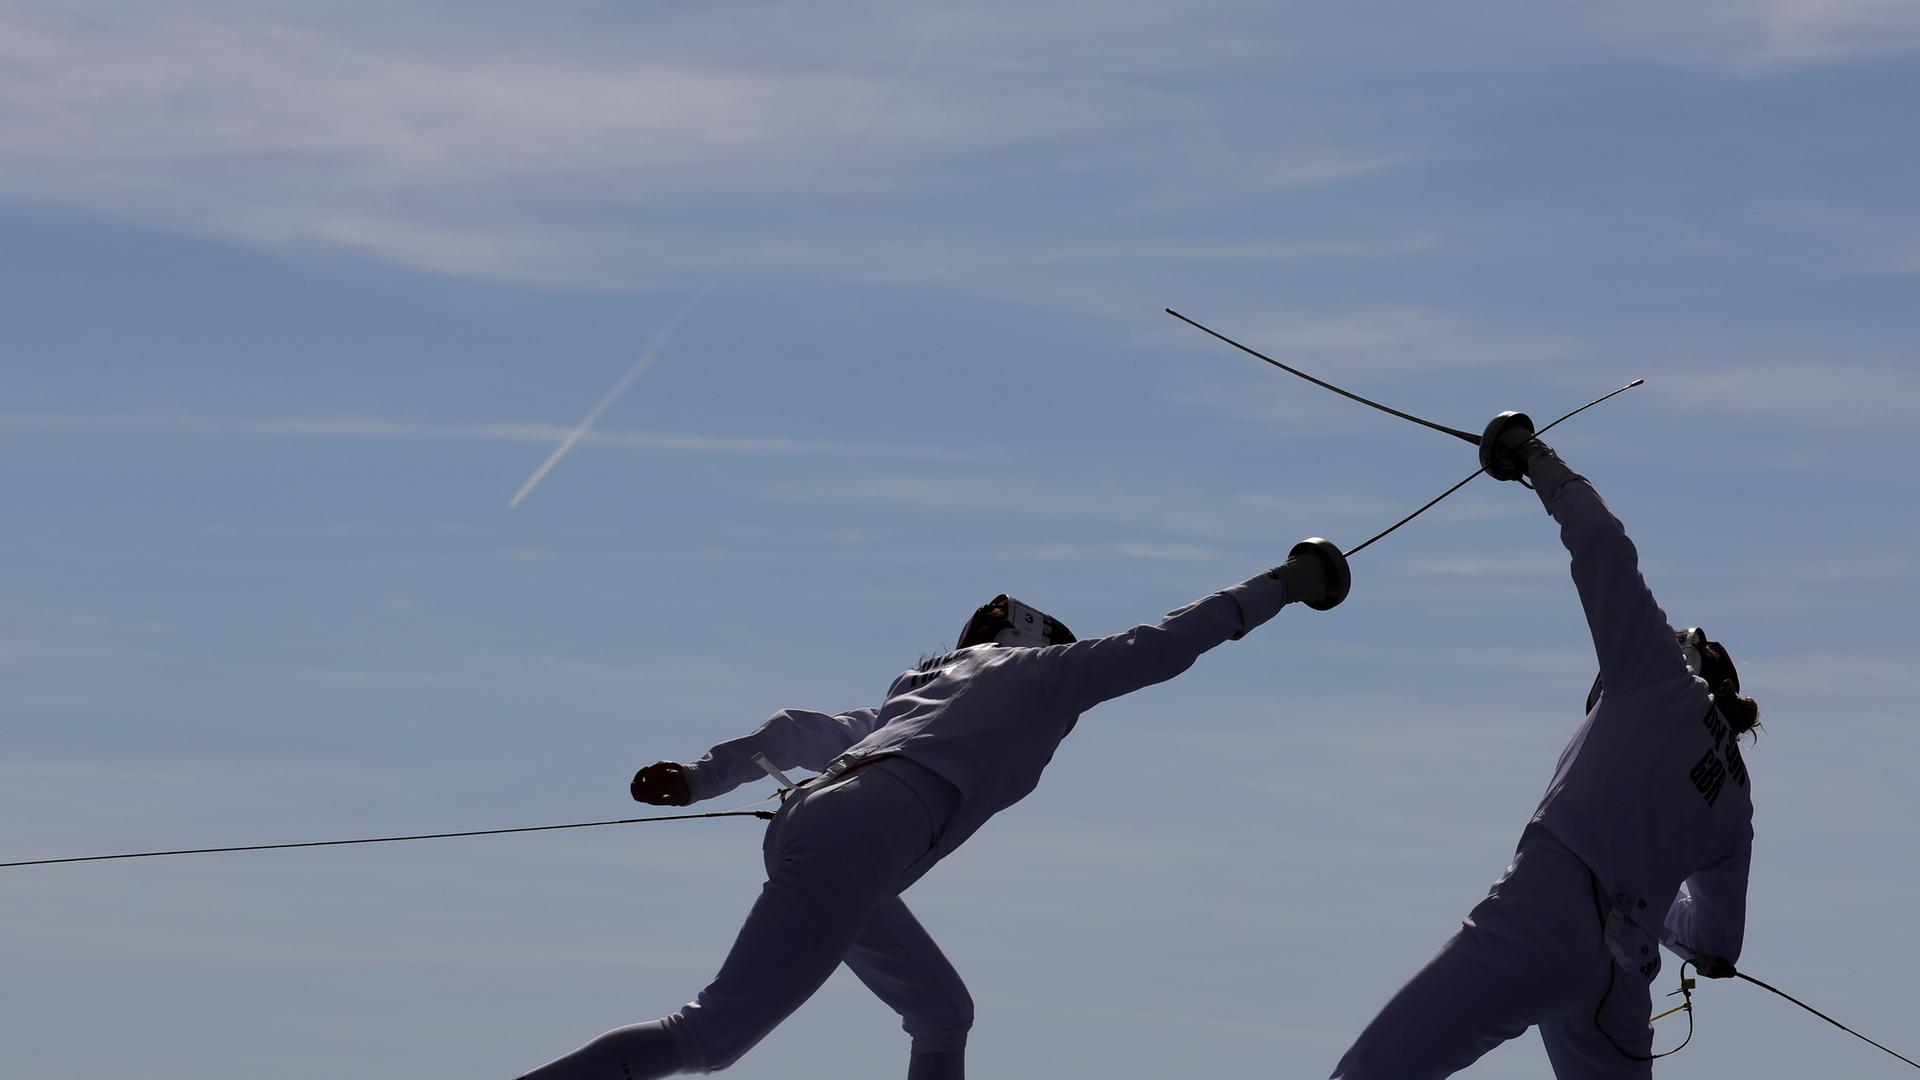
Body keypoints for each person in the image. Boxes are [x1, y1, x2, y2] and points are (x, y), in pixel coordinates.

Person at [514, 538, 1352, 1080]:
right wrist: (1286, 583)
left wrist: (702, 777)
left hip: (833, 827)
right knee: (707, 1038)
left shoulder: (921, 691)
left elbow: (799, 730)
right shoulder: (1038, 675)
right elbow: (1171, 641)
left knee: (943, 1013)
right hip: (864, 832)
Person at [1328, 413, 1760, 1079]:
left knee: (1376, 1070)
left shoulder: (1659, 673)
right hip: (1619, 981)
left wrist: (1536, 459)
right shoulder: (1737, 798)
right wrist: (1650, 912)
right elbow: (1716, 945)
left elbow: (1603, 547)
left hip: (1542, 913)